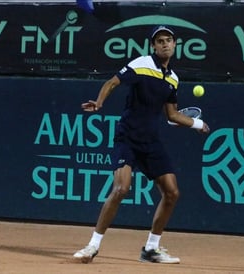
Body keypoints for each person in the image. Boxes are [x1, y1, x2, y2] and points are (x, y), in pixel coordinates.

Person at [73, 25, 210, 264]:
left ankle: (151, 249)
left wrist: (197, 125)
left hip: (151, 142)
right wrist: (100, 102)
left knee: (172, 192)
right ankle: (92, 246)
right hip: (128, 137)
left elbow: (172, 115)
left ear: (175, 45)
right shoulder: (141, 64)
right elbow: (112, 83)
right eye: (160, 41)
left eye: (168, 40)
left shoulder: (173, 79)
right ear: (153, 46)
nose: (164, 44)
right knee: (121, 189)